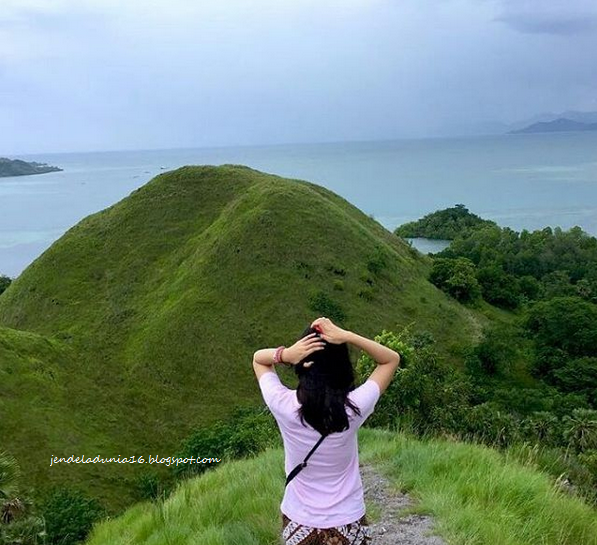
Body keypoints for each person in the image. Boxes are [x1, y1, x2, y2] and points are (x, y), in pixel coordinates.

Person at [253, 316, 401, 545]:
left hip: (298, 520)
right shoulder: (354, 408)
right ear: (341, 366)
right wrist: (347, 336)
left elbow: (259, 360)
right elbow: (390, 360)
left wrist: (287, 355)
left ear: (304, 364)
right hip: (347, 520)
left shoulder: (283, 404)